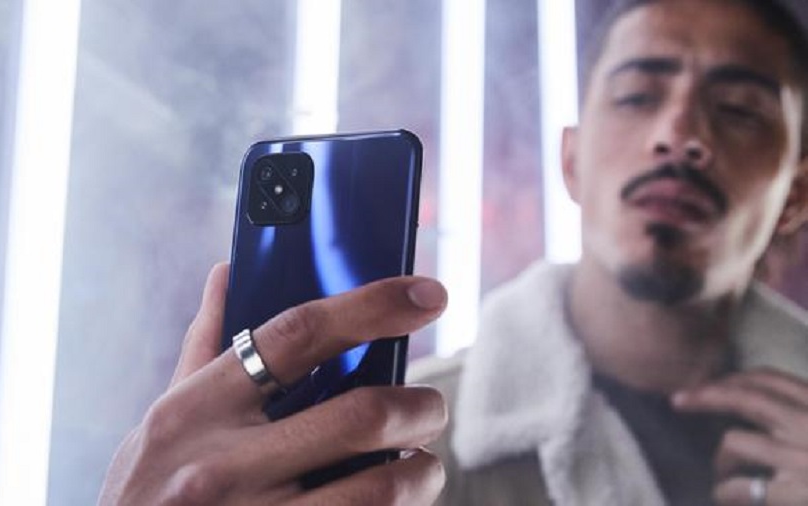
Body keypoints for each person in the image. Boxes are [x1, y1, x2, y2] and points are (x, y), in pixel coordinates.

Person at [97, 0, 808, 504]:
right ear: (571, 161)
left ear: (797, 195)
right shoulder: (396, 447)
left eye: (739, 110)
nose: (678, 135)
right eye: (637, 96)